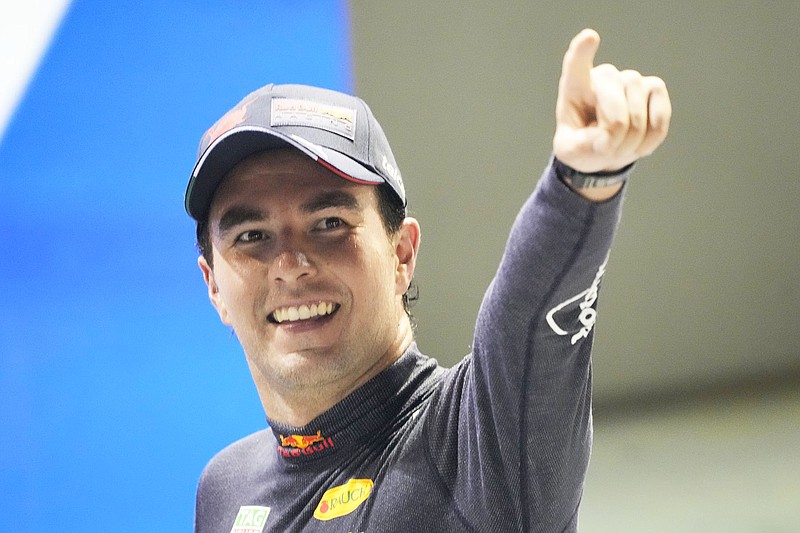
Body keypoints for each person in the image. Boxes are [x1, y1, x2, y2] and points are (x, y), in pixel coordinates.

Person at [186, 29, 671, 533]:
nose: (291, 262)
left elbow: (523, 324)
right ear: (213, 285)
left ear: (402, 254)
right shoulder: (225, 488)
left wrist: (578, 183)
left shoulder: (477, 444)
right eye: (251, 235)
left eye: (329, 224)